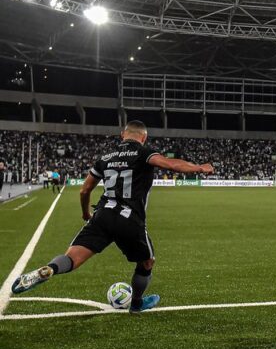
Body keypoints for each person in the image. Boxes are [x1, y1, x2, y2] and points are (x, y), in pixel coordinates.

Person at [11, 121, 214, 314]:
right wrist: (199, 168)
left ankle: (49, 269)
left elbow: (85, 190)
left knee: (71, 258)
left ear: (122, 135)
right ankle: (136, 304)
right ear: (144, 138)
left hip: (102, 215)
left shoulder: (106, 157)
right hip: (129, 218)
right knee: (147, 262)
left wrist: (85, 214)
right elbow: (170, 164)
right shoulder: (143, 152)